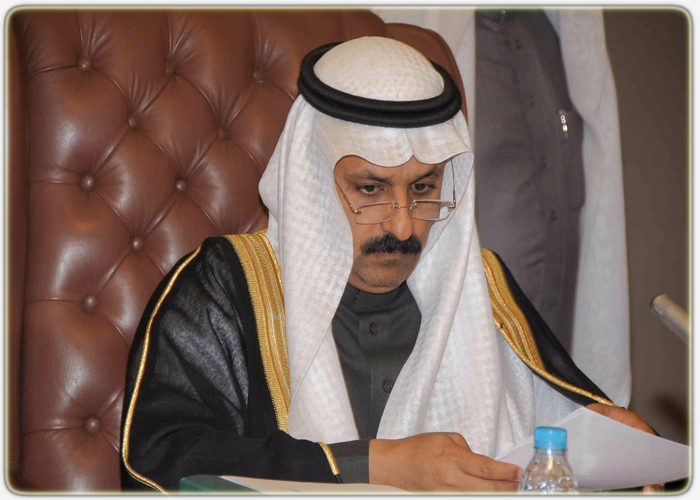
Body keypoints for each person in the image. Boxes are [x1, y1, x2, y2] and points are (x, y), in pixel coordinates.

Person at [120, 37, 656, 493]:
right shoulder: (224, 286)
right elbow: (159, 463)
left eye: (423, 188)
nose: (402, 227)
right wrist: (373, 466)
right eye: (371, 189)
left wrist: (603, 434)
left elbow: (554, 421)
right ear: (312, 179)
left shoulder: (481, 286)